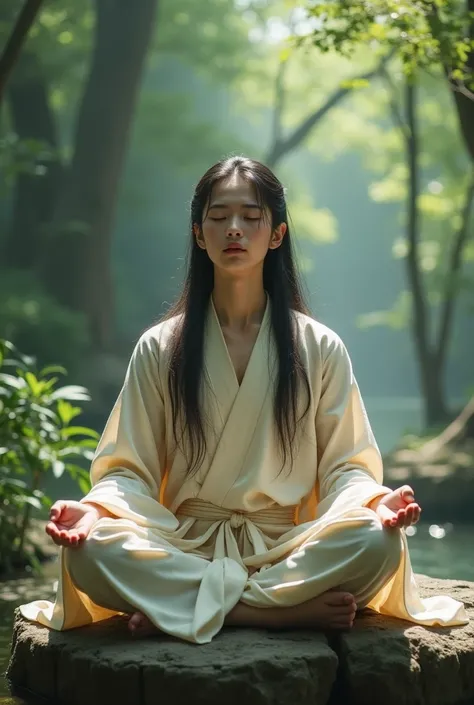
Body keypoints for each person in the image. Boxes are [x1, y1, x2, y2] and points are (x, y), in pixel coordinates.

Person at [20, 156, 468, 644]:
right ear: (198, 233)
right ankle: (270, 611)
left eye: (251, 217)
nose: (234, 228)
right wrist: (97, 510)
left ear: (276, 233)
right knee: (89, 551)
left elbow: (345, 468)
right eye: (219, 216)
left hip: (284, 548)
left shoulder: (318, 346)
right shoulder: (160, 347)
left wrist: (376, 501)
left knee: (376, 542)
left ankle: (188, 606)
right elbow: (130, 471)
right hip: (183, 543)